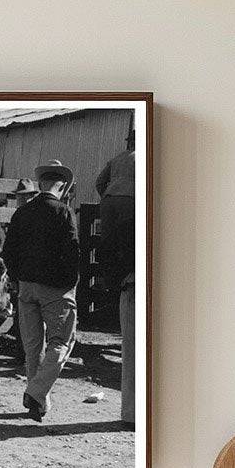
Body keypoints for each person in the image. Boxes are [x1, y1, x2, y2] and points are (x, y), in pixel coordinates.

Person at [1, 159, 80, 422]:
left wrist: (16, 280)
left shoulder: (22, 213)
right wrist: (71, 284)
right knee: (61, 342)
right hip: (55, 289)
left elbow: (8, 252)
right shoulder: (64, 213)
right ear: (62, 186)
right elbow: (72, 254)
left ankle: (38, 405)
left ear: (42, 184)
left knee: (33, 347)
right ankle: (35, 392)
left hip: (26, 288)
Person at [96, 130, 137, 430]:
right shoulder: (141, 158)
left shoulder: (116, 158)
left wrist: (108, 197)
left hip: (109, 201)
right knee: (130, 234)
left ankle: (110, 278)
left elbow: (99, 182)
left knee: (109, 245)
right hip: (130, 202)